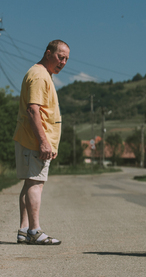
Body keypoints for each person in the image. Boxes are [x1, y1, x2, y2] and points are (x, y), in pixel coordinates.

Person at [13, 39, 70, 245]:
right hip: (34, 141)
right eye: (60, 57)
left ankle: (24, 230)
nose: (63, 62)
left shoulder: (43, 74)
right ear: (48, 53)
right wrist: (44, 142)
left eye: (66, 59)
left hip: (33, 140)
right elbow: (32, 110)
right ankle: (35, 231)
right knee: (35, 184)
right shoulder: (38, 75)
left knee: (31, 183)